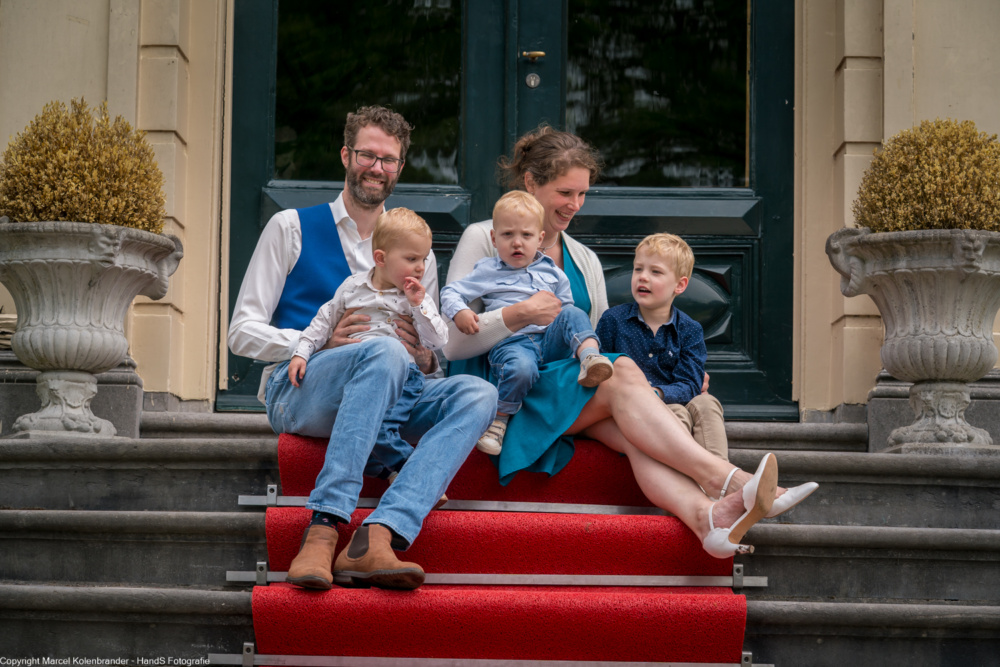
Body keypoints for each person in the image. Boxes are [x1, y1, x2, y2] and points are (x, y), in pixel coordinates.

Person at [443, 126, 818, 558]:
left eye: (582, 194)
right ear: (531, 182)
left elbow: (597, 342)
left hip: (566, 388)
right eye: (565, 192)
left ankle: (708, 519)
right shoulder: (484, 237)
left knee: (631, 415)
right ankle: (729, 480)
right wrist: (519, 314)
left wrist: (662, 381)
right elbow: (452, 345)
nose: (574, 205)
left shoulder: (584, 258)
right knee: (622, 375)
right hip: (508, 389)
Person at [228, 105, 497, 590]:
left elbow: (430, 353)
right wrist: (317, 344)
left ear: (400, 168)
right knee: (384, 354)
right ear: (346, 155)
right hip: (303, 390)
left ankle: (379, 532)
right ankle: (324, 526)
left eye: (388, 159)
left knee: (479, 394)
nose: (377, 167)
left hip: (391, 391)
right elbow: (241, 332)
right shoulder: (291, 227)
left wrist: (426, 358)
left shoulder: (417, 251)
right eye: (367, 155)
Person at [440, 191, 613, 454]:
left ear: (540, 239)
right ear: (494, 239)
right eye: (508, 235)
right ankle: (500, 418)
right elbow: (451, 292)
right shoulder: (487, 270)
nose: (517, 243)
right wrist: (460, 311)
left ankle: (590, 358)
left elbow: (564, 310)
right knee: (521, 368)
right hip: (513, 343)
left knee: (573, 313)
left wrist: (568, 333)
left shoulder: (552, 271)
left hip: (550, 342)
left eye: (526, 235)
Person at [288, 207, 448, 482]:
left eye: (423, 259)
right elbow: (323, 321)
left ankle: (409, 472)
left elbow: (438, 341)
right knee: (364, 422)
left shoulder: (416, 299)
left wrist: (419, 307)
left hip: (403, 377)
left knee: (381, 426)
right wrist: (301, 353)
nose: (421, 267)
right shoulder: (352, 287)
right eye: (411, 259)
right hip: (357, 374)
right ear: (381, 258)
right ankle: (380, 469)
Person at [596, 233, 729, 462]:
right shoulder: (613, 320)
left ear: (680, 285)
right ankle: (683, 474)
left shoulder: (690, 329)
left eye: (655, 272)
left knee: (707, 403)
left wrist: (658, 393)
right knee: (676, 412)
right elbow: (601, 372)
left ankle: (721, 472)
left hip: (671, 398)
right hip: (632, 409)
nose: (642, 277)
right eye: (638, 269)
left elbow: (690, 384)